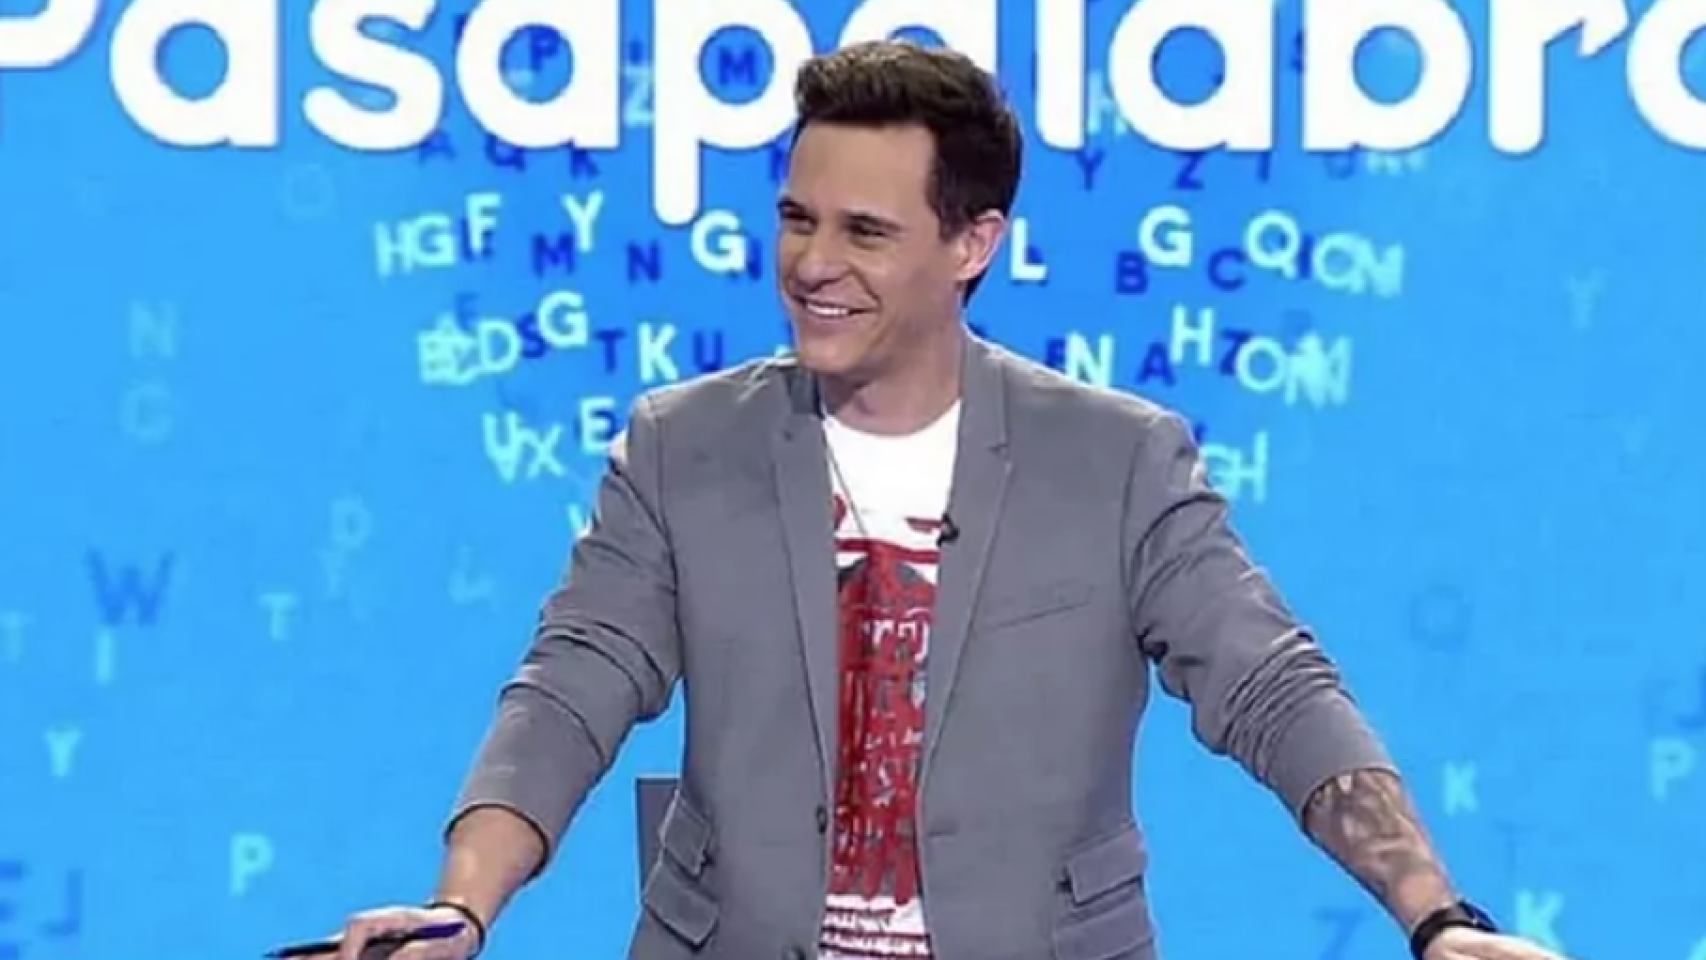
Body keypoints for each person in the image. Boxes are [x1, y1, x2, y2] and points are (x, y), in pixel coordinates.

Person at [332, 40, 1569, 960]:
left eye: (864, 233)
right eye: (796, 220)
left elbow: (1273, 691)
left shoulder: (1117, 461)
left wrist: (1434, 916)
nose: (813, 265)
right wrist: (461, 908)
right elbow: (571, 687)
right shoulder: (680, 446)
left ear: (971, 243)